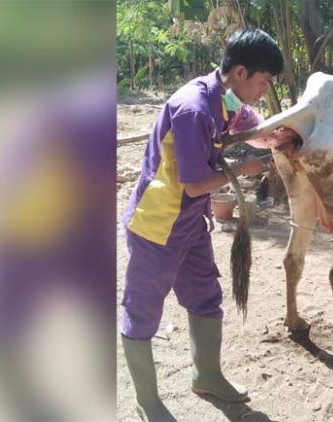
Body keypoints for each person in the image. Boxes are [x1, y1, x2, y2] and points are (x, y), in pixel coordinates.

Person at [120, 28, 284, 421]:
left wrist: (280, 136)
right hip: (158, 225)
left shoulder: (225, 98)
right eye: (263, 82)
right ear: (241, 72)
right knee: (143, 312)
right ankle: (148, 403)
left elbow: (250, 123)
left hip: (191, 223)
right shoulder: (194, 108)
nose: (264, 90)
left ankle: (207, 374)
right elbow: (194, 185)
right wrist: (241, 170)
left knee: (205, 296)